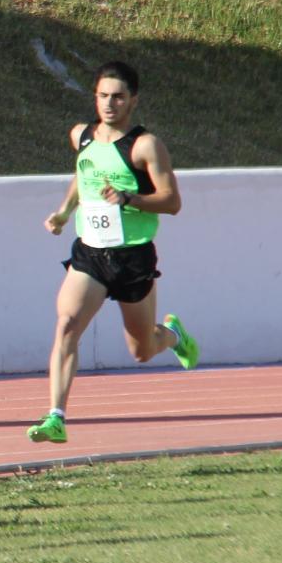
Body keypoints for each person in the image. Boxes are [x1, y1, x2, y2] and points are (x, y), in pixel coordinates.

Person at [35, 62, 198, 444]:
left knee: (142, 349)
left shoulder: (145, 146)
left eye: (119, 97)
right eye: (103, 96)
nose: (110, 104)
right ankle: (56, 417)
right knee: (66, 325)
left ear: (133, 100)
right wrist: (64, 212)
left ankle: (173, 335)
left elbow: (172, 202)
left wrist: (129, 198)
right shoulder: (82, 136)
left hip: (132, 259)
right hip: (90, 254)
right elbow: (83, 175)